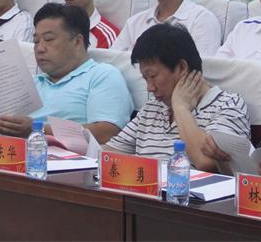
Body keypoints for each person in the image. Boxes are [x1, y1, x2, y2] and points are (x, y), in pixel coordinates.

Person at [0, 4, 132, 142]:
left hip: (64, 166)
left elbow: (108, 133)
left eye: (49, 39)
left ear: (77, 41)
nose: (39, 48)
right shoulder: (30, 82)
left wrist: (37, 130)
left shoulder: (102, 75)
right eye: (36, 41)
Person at [105, 24, 249, 170]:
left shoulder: (228, 105)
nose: (150, 88)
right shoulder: (153, 106)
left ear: (181, 67)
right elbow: (109, 153)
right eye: (145, 78)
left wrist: (180, 108)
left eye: (153, 76)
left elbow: (205, 162)